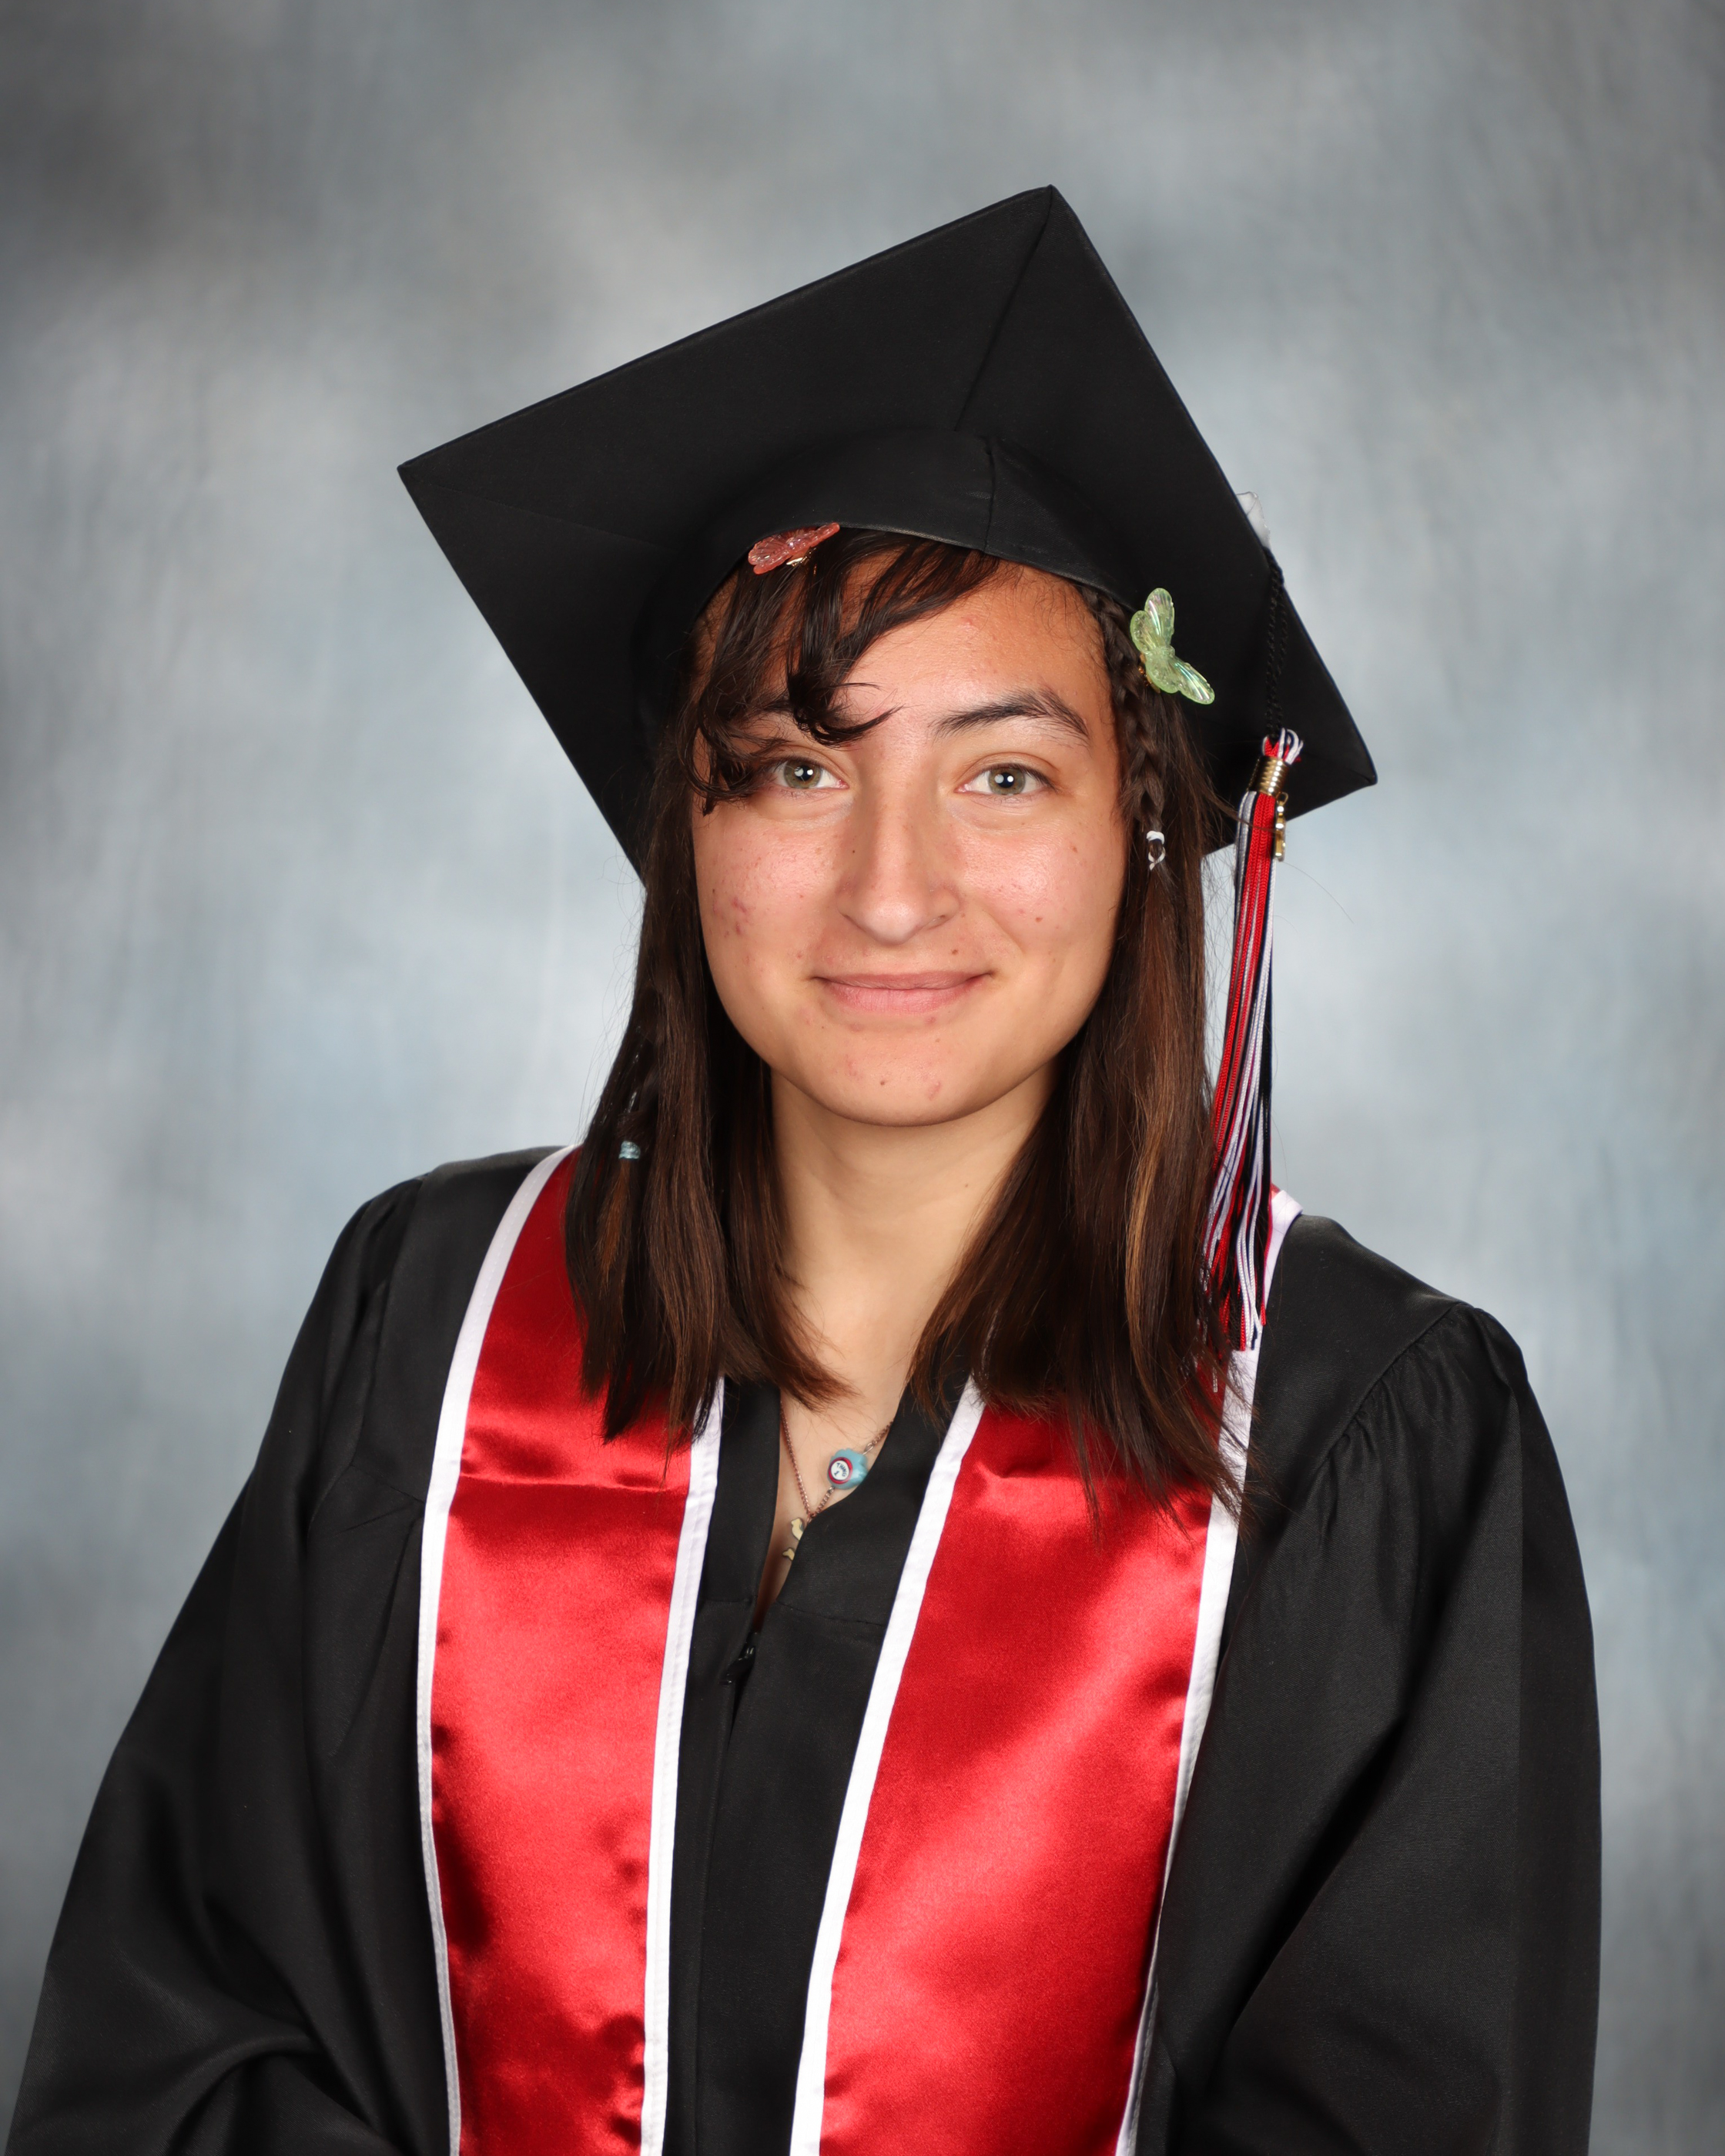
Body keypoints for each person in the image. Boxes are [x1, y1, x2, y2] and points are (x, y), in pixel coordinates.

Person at [7, 189, 1599, 2156]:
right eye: (797, 766)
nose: (892, 886)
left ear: (1143, 827)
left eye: (1002, 772)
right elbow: (180, 2045)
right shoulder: (430, 1320)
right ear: (688, 828)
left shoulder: (1360, 1431)